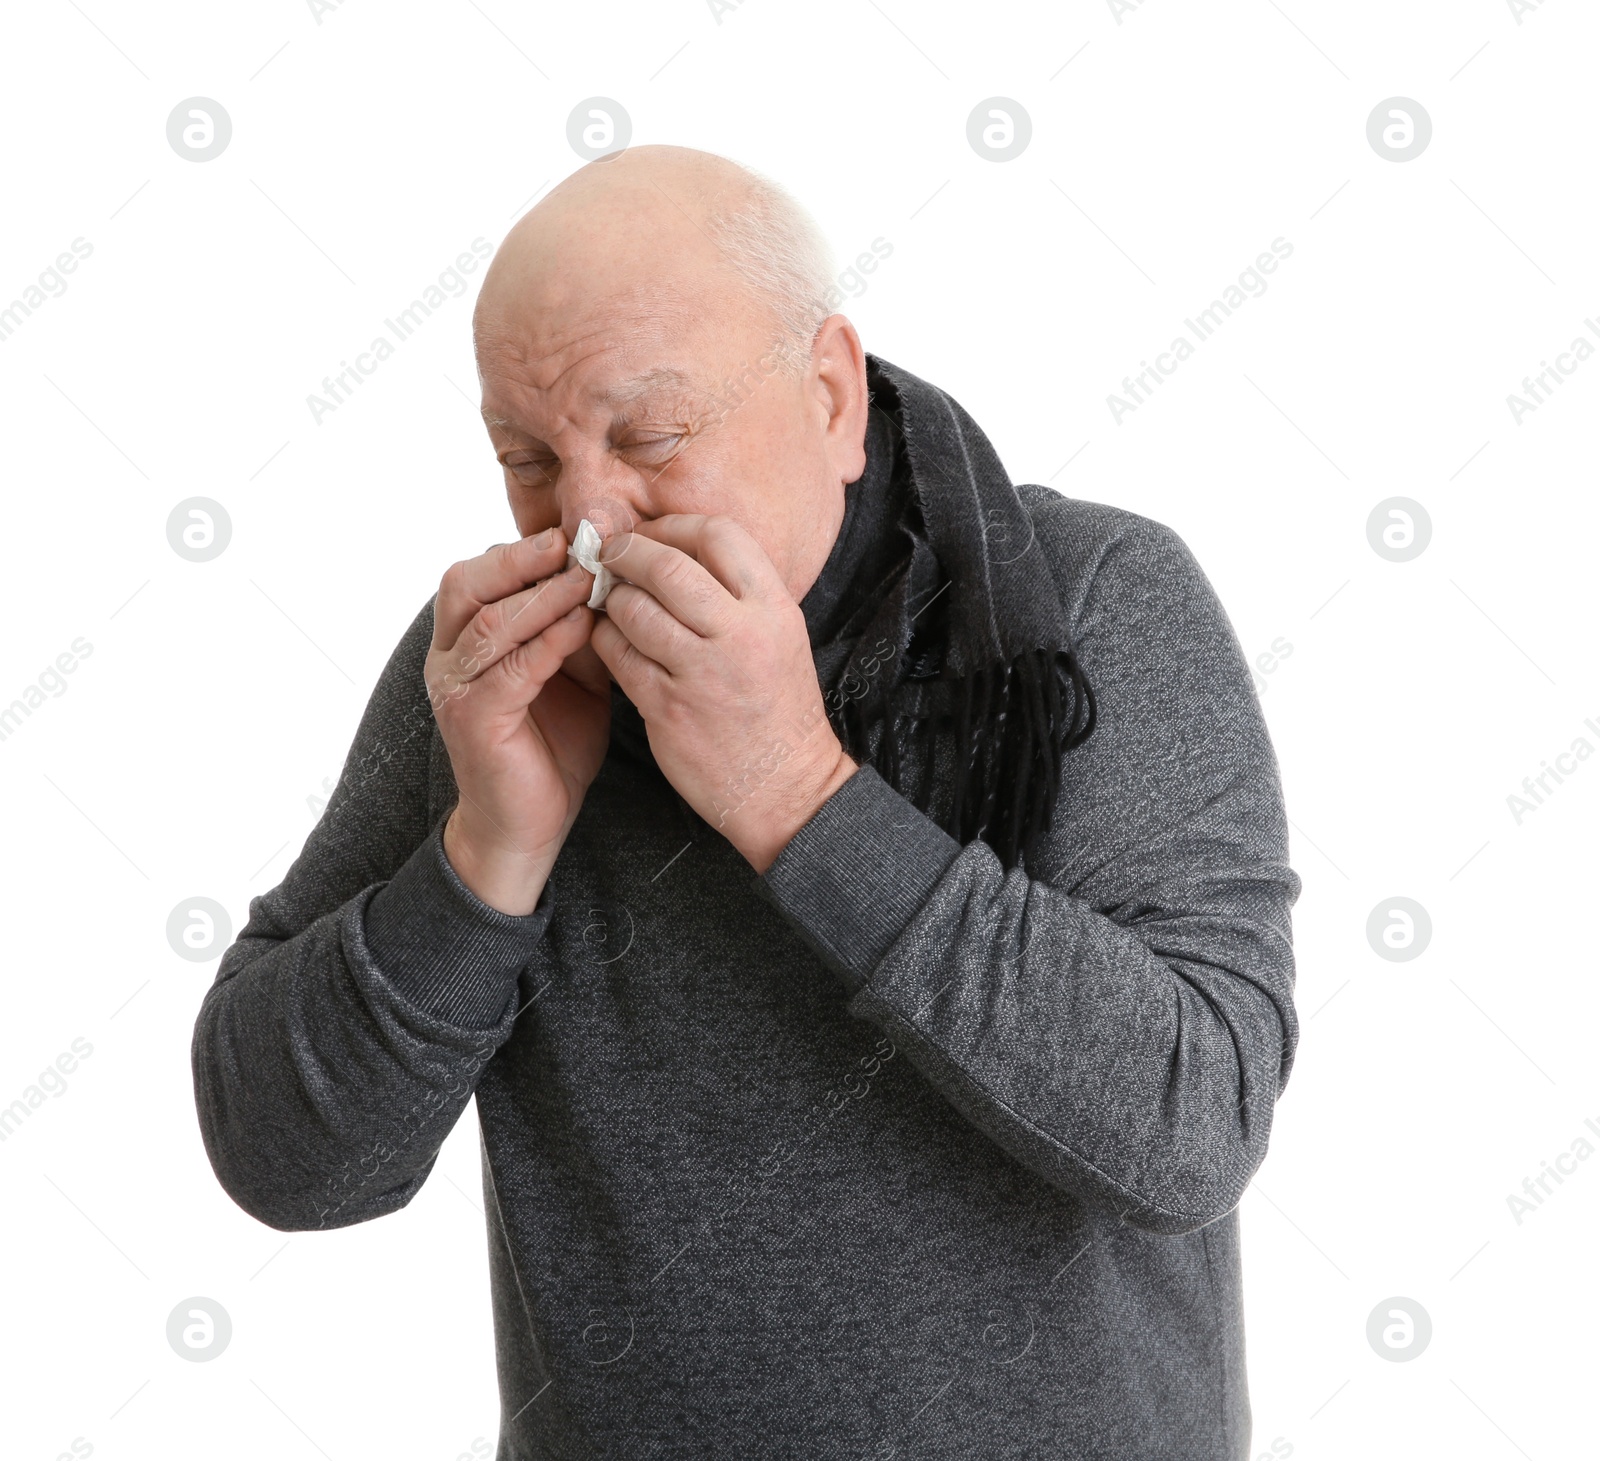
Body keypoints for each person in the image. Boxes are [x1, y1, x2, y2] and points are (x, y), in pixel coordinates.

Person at [191, 144, 1302, 1460]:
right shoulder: (496, 667)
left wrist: (799, 791)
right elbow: (285, 1158)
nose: (590, 519)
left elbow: (1191, 1124)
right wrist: (485, 854)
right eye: (529, 457)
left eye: (650, 437)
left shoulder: (1096, 605)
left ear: (830, 396)